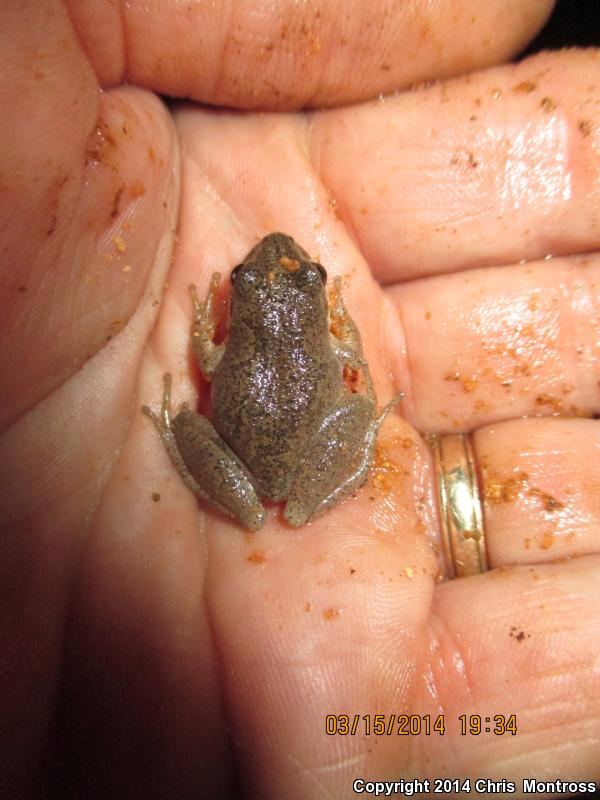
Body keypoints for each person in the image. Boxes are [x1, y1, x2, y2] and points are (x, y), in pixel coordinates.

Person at [1, 1, 598, 797]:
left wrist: (216, 322)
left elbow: (210, 358)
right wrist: (341, 334)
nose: (274, 272)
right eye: (248, 281)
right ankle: (316, 477)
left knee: (193, 419)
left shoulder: (225, 332)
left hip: (241, 468)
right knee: (355, 414)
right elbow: (347, 361)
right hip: (296, 454)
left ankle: (229, 473)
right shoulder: (326, 329)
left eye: (301, 279)